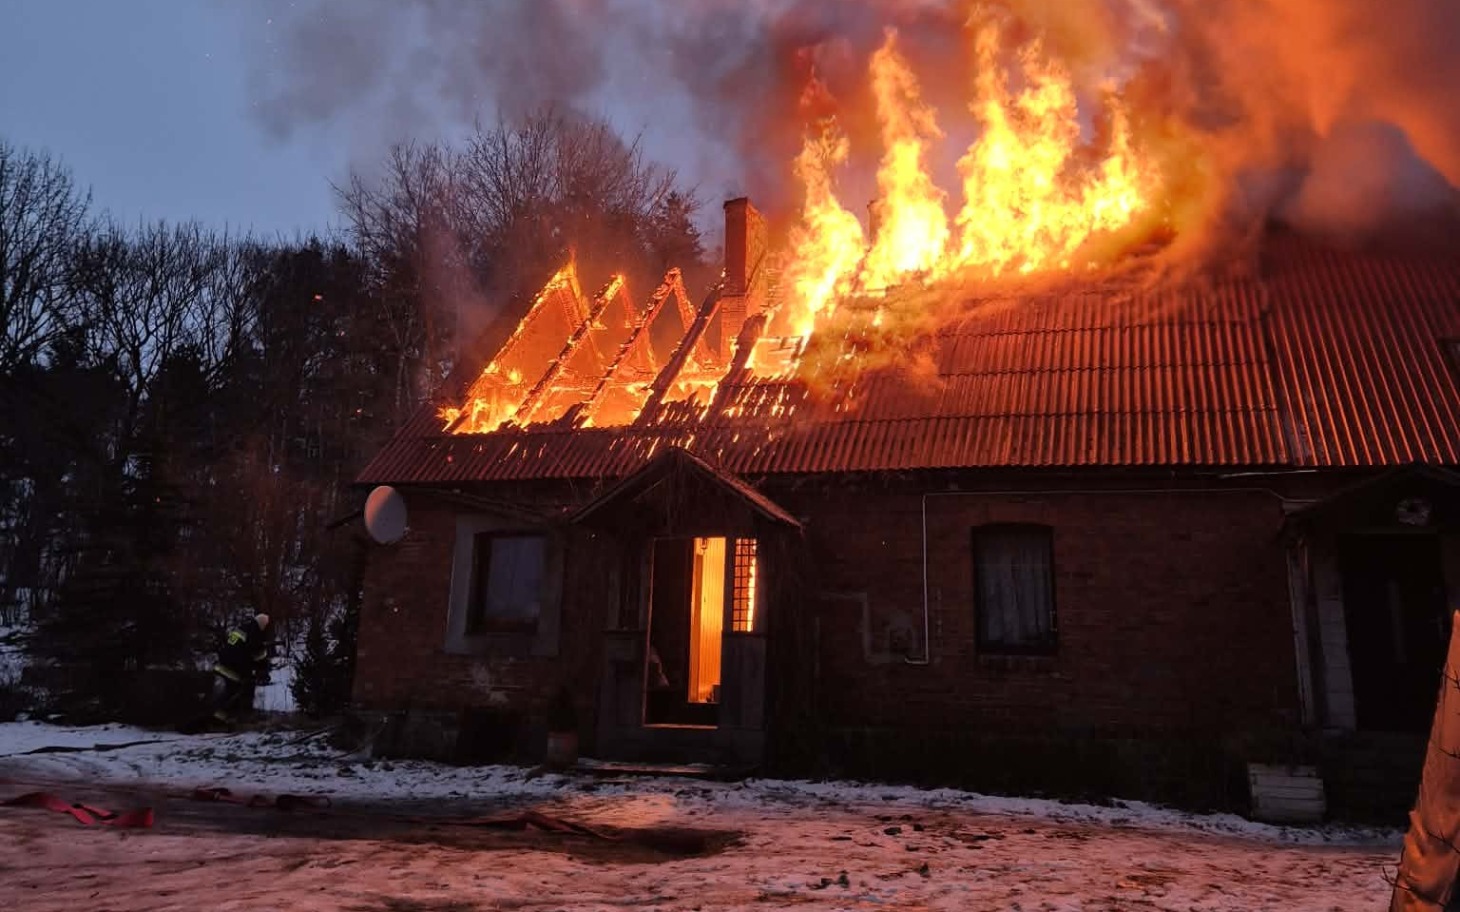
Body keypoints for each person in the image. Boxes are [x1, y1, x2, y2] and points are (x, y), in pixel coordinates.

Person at [210, 613, 272, 726]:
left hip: (223, 664)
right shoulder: (255, 632)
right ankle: (221, 719)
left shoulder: (243, 628)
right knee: (235, 692)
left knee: (227, 692)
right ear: (262, 625)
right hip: (233, 668)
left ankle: (222, 717)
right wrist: (264, 667)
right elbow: (257, 653)